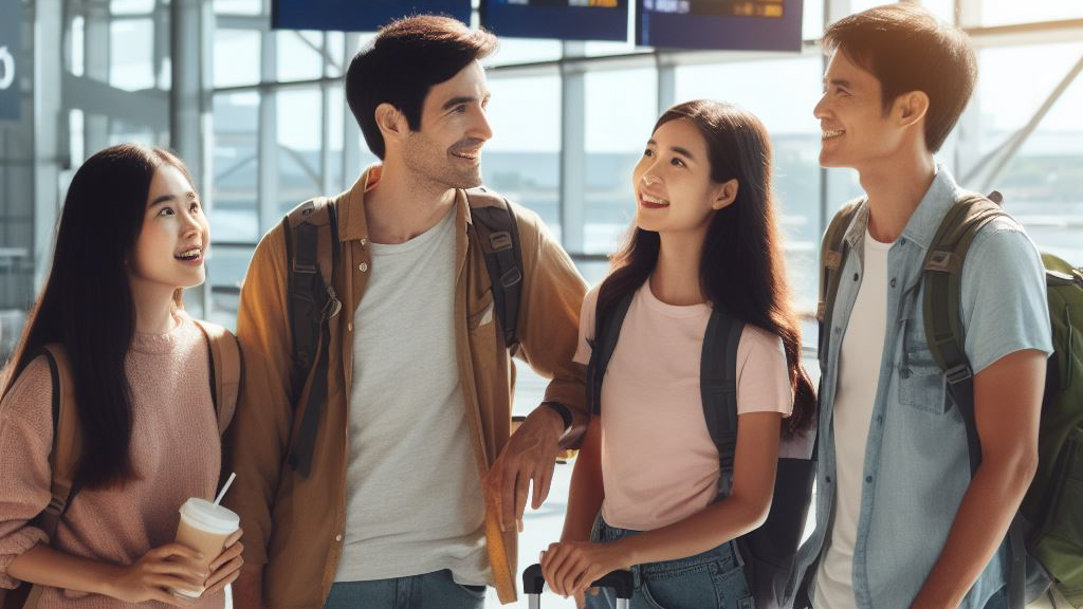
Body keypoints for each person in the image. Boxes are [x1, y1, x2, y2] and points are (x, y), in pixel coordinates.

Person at [224, 15, 589, 609]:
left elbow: (597, 360)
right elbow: (255, 445)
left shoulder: (508, 238)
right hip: (324, 580)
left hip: (457, 577)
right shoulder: (295, 252)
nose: (485, 128)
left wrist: (548, 421)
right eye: (459, 108)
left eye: (485, 103)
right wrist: (249, 595)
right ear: (392, 121)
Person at [793, 5, 1052, 609]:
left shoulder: (992, 251)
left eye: (842, 89)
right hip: (826, 590)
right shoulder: (843, 241)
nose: (820, 109)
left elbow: (1014, 459)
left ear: (909, 109)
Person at [540, 100, 816, 609]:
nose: (650, 172)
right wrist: (578, 552)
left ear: (725, 192)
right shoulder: (608, 303)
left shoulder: (753, 342)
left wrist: (620, 555)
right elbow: (599, 444)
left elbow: (749, 506)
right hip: (605, 565)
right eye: (650, 152)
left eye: (677, 161)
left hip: (700, 580)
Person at [0, 144, 244, 607]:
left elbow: (224, 496)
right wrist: (118, 580)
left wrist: (229, 552)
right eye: (167, 211)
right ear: (114, 239)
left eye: (193, 205)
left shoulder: (221, 355)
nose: (194, 225)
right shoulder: (55, 379)